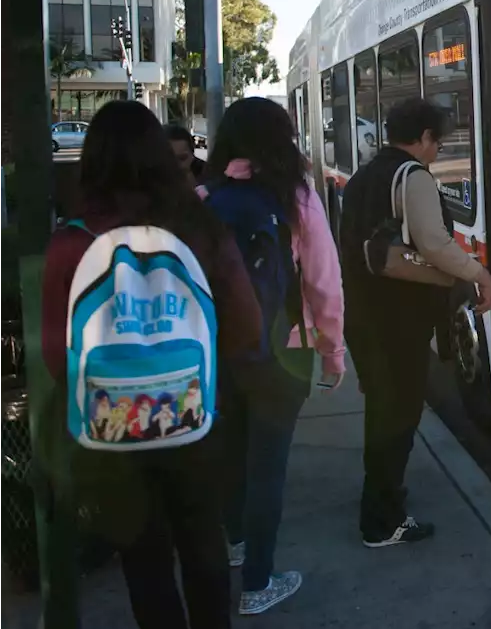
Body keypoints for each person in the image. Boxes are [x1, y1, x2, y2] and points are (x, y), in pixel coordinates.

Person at [41, 100, 262, 629]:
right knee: (204, 544)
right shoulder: (199, 227)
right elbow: (248, 326)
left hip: (112, 431)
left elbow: (55, 354)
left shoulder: (72, 242)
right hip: (193, 418)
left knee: (143, 560)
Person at [202, 97, 346, 615]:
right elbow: (323, 284)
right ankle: (259, 583)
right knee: (269, 466)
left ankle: (237, 541)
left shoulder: (204, 196)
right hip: (283, 352)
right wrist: (332, 352)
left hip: (219, 351)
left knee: (231, 454)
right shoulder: (297, 198)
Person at [339, 98, 491, 547]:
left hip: (365, 313)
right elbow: (435, 244)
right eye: (437, 142)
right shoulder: (413, 178)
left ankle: (384, 500)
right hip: (401, 319)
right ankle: (382, 519)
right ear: (423, 137)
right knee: (398, 416)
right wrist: (479, 274)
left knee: (383, 409)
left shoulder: (362, 178)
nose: (437, 151)